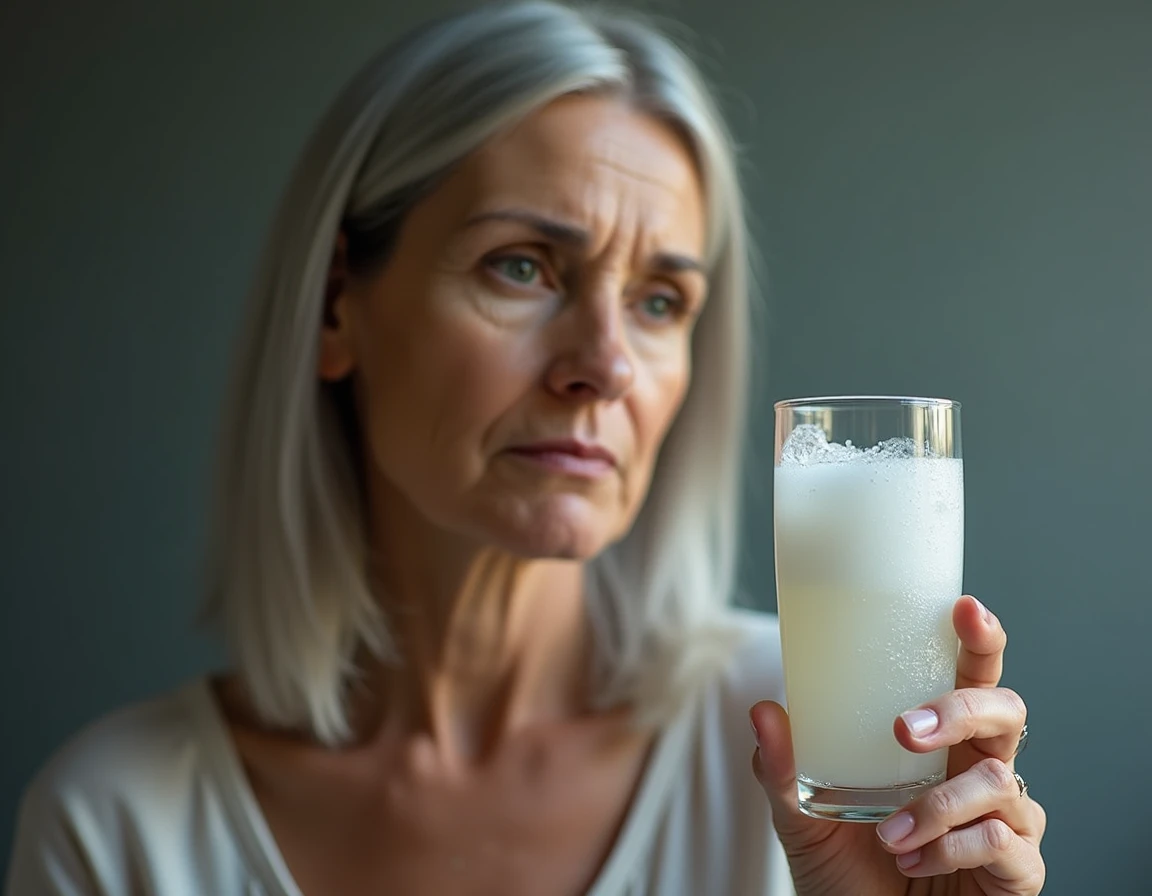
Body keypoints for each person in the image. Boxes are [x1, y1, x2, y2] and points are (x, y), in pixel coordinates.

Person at [4, 2, 1046, 894]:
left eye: (657, 300)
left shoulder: (826, 751)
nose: (604, 365)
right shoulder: (120, 827)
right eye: (520, 266)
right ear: (334, 310)